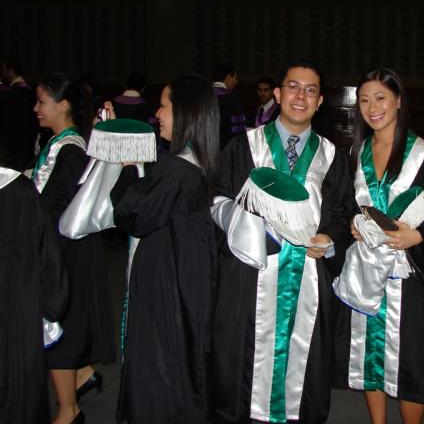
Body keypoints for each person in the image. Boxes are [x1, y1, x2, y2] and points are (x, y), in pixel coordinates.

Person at [211, 59, 353, 423]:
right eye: (293, 87)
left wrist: (330, 238)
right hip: (250, 276)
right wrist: (246, 229)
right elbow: (217, 201)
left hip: (309, 279)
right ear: (277, 94)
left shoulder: (332, 157)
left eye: (310, 90)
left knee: (304, 368)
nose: (300, 96)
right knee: (242, 366)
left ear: (320, 102)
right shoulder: (244, 147)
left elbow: (343, 213)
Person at [332, 68, 424, 424]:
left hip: (407, 276)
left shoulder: (423, 155)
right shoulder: (356, 152)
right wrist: (352, 224)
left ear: (398, 101)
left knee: (411, 360)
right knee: (370, 355)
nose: (372, 108)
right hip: (366, 271)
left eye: (381, 98)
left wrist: (419, 237)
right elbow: (346, 206)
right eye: (364, 100)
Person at [111, 74, 220, 423]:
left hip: (167, 288)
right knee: (186, 365)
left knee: (160, 369)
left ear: (185, 112)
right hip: (188, 282)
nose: (157, 114)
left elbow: (133, 214)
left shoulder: (176, 169)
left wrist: (128, 171)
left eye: (164, 106)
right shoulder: (200, 164)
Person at [32, 73, 116, 424]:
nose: (36, 108)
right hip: (63, 250)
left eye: (42, 102)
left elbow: (60, 211)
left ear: (63, 105)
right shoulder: (59, 145)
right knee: (65, 323)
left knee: (58, 326)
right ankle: (82, 375)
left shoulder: (69, 151)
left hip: (64, 254)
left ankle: (69, 411)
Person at [0, 139, 69, 424]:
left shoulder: (17, 189)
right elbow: (48, 258)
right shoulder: (19, 191)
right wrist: (51, 306)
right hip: (17, 312)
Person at [0, 57, 38, 171]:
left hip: (13, 150)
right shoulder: (29, 90)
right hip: (27, 147)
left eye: (3, 69)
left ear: (11, 70)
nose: (2, 73)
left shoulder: (12, 93)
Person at [212, 62, 245, 147]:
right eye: (235, 78)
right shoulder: (231, 99)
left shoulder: (203, 96)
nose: (236, 82)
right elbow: (238, 131)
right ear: (228, 77)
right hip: (226, 148)